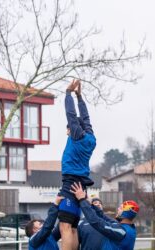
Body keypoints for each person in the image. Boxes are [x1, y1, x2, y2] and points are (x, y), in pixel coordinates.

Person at [58, 80, 97, 250]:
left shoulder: (77, 136)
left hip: (71, 182)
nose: (67, 131)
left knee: (65, 227)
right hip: (81, 183)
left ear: (73, 129)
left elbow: (71, 114)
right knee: (73, 227)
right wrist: (80, 97)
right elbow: (85, 118)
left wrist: (68, 93)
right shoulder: (91, 138)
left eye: (69, 129)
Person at [71, 182, 139, 250]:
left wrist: (82, 200)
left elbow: (96, 222)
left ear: (126, 213)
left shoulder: (121, 231)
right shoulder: (127, 228)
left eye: (121, 208)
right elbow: (103, 216)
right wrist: (90, 204)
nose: (118, 208)